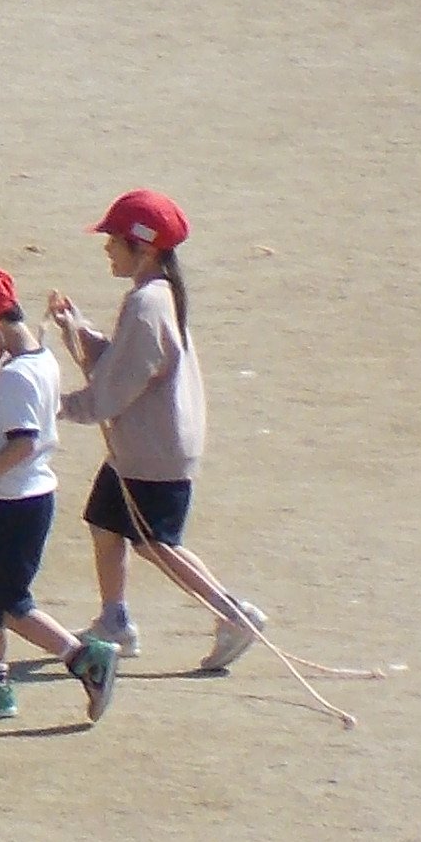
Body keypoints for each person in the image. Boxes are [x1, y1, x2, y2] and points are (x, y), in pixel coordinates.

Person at [48, 187, 271, 670]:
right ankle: (114, 622)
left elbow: (115, 389)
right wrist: (78, 331)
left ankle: (233, 613)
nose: (108, 248)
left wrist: (54, 407)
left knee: (155, 544)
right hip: (145, 447)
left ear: (145, 248)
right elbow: (123, 366)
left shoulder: (147, 303)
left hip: (152, 452)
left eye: (114, 240)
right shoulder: (156, 295)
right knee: (105, 523)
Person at [0, 266, 116, 721]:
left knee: (9, 602)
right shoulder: (41, 361)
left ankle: (83, 657)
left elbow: (23, 443)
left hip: (14, 504)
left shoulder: (15, 378)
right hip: (19, 501)